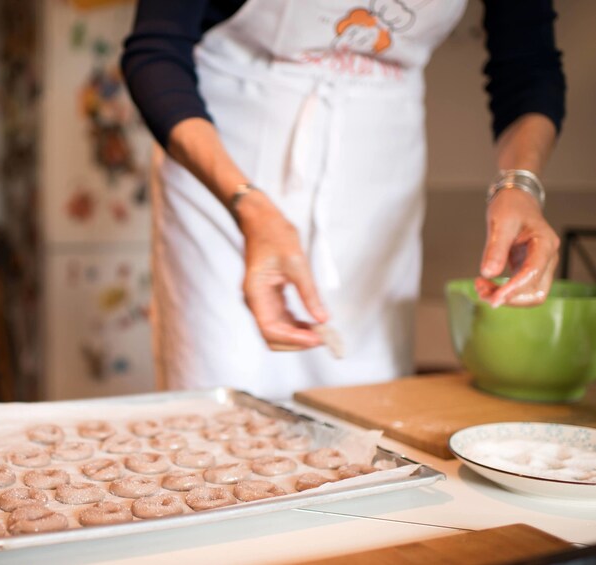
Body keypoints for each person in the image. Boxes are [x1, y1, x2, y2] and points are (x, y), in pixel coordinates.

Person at [121, 0, 565, 398]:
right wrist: (248, 205)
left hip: (378, 169)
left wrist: (520, 184)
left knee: (367, 399)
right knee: (221, 391)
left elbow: (528, 64)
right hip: (226, 164)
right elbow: (156, 51)